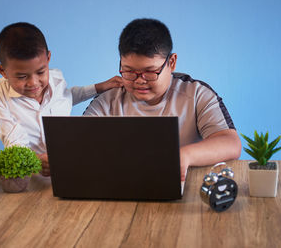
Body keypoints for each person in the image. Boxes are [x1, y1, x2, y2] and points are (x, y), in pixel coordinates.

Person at [84, 18, 241, 181]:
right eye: (129, 71)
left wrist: (184, 155)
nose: (139, 80)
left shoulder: (196, 94)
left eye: (150, 72)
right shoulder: (107, 100)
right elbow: (77, 145)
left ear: (171, 63)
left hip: (182, 186)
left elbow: (230, 143)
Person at [0, 22, 123, 176]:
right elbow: (13, 138)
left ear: (48, 58)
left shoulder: (56, 79)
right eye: (22, 76)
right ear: (1, 70)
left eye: (41, 72)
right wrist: (35, 160)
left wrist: (99, 87)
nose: (34, 83)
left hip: (68, 167)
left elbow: (67, 96)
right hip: (30, 175)